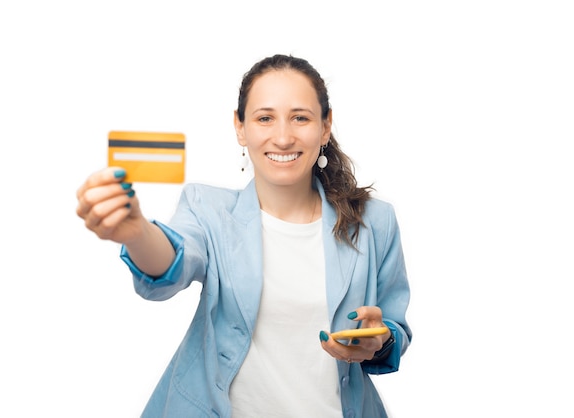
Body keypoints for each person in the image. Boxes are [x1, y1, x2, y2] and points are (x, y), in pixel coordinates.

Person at [76, 54, 412, 418]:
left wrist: (381, 339)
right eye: (264, 118)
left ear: (325, 126)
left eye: (300, 117)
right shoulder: (208, 209)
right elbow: (173, 263)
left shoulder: (375, 221)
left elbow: (394, 329)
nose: (283, 137)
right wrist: (138, 231)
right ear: (240, 127)